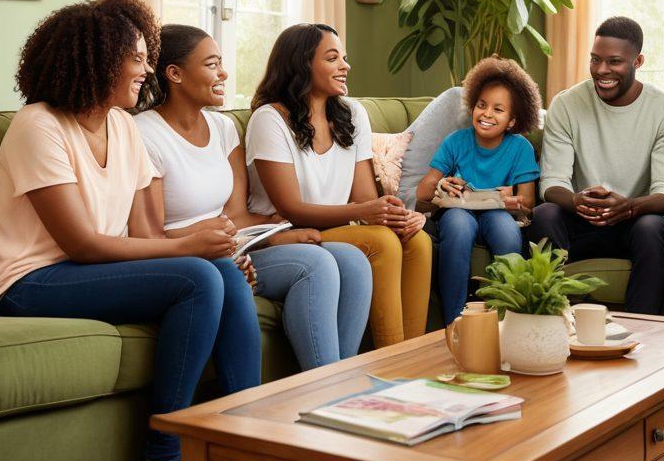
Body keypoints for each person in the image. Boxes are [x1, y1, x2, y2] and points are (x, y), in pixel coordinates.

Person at [0, 0, 258, 461]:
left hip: (88, 272)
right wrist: (187, 248)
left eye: (149, 57)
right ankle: (163, 456)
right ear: (98, 60)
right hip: (27, 281)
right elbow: (81, 244)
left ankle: (247, 439)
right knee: (197, 274)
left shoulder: (123, 126)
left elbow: (142, 233)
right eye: (137, 58)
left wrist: (212, 251)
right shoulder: (38, 127)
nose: (147, 70)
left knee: (217, 272)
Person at [135, 24, 372, 372]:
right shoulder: (143, 132)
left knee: (352, 261)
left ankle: (340, 383)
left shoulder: (223, 128)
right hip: (189, 257)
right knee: (315, 263)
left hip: (235, 249)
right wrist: (211, 236)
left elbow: (238, 217)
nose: (224, 73)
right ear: (175, 74)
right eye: (212, 64)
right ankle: (324, 387)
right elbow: (148, 237)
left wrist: (274, 229)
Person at [246, 24, 432, 348]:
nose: (345, 66)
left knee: (417, 240)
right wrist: (366, 211)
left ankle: (410, 359)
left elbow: (364, 198)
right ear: (302, 64)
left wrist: (401, 217)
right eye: (333, 58)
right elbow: (291, 208)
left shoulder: (352, 114)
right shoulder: (269, 119)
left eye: (343, 58)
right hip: (289, 233)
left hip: (337, 228)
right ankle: (392, 360)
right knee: (384, 244)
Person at [528, 16, 664, 313]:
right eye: (595, 60)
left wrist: (628, 207)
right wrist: (576, 200)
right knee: (545, 215)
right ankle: (555, 320)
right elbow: (552, 182)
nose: (602, 71)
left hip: (631, 222)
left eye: (614, 62)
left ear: (638, 62)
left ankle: (643, 331)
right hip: (578, 219)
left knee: (653, 227)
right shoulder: (566, 104)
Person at [416, 57, 541, 325]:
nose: (486, 114)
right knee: (459, 227)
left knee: (506, 233)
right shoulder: (456, 141)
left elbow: (528, 202)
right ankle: (454, 324)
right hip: (459, 211)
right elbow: (422, 192)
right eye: (482, 105)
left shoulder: (520, 148)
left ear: (511, 120)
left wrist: (512, 201)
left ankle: (505, 321)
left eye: (498, 109)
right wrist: (440, 184)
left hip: (499, 213)